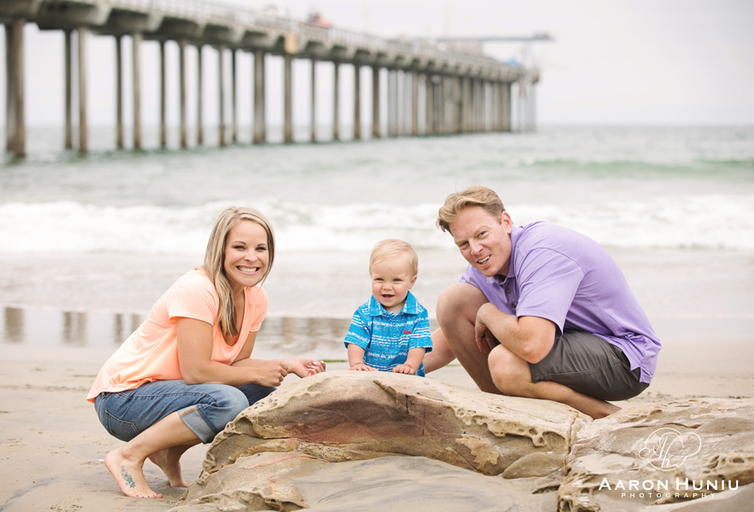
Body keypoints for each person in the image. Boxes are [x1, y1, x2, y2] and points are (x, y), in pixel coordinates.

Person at [87, 207, 325, 498]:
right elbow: (196, 371)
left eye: (260, 248)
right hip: (122, 401)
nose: (252, 257)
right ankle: (128, 456)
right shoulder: (198, 289)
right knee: (228, 400)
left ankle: (167, 452)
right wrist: (256, 373)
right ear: (220, 250)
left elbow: (237, 363)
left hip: (168, 394)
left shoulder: (256, 297)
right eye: (239, 247)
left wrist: (287, 364)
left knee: (259, 393)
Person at [423, 186, 660, 418]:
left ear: (506, 222)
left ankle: (606, 415)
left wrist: (487, 313)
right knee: (453, 300)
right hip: (566, 348)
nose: (475, 249)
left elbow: (532, 346)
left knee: (505, 364)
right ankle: (505, 409)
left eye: (481, 234)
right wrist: (403, 366)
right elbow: (451, 335)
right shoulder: (487, 263)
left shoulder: (542, 250)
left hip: (626, 359)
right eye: (463, 244)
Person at [345, 239, 433, 376]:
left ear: (411, 282)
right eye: (379, 279)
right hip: (371, 375)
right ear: (371, 277)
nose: (386, 287)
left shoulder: (418, 314)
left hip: (406, 377)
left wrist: (409, 365)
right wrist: (357, 363)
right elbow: (355, 341)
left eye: (396, 280)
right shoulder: (364, 313)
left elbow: (418, 344)